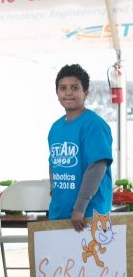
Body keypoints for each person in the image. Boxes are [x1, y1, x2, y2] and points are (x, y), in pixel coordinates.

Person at [47, 64, 112, 232]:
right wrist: (54, 194)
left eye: (75, 88)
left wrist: (80, 207)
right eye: (63, 88)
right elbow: (53, 165)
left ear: (86, 93)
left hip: (88, 215)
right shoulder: (55, 128)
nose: (68, 92)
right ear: (57, 93)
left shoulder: (94, 125)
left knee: (93, 257)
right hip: (60, 212)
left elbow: (97, 167)